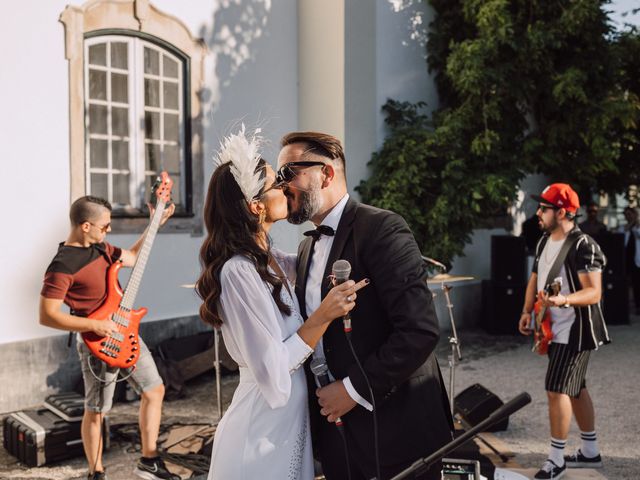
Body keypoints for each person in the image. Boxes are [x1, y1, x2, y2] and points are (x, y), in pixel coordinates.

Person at [277, 131, 453, 480]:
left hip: (397, 426)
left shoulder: (382, 228)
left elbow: (419, 330)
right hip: (338, 437)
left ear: (325, 173)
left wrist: (352, 389)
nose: (282, 185)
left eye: (289, 173)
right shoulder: (304, 249)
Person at [196, 127, 368, 480]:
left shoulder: (272, 260)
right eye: (278, 184)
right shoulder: (238, 273)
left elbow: (321, 259)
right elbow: (273, 371)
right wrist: (323, 317)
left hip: (288, 429)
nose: (287, 187)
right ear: (255, 206)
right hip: (259, 434)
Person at [39, 196, 178, 480]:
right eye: (105, 226)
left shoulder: (101, 248)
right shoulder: (62, 265)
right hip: (97, 343)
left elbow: (134, 258)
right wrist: (95, 325)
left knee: (155, 390)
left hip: (126, 332)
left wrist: (154, 225)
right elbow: (47, 315)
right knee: (97, 410)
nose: (109, 230)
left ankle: (149, 460)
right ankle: (97, 472)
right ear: (85, 225)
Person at [518, 183, 611, 479]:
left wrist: (565, 300)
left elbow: (594, 293)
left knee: (556, 388)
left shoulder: (584, 245)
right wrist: (526, 310)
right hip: (551, 327)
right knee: (576, 388)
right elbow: (535, 277)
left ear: (561, 212)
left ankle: (556, 460)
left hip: (576, 331)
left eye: (543, 208)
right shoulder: (544, 241)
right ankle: (590, 452)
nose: (538, 213)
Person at [618, 206, 640, 315]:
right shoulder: (623, 228)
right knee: (630, 283)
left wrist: (636, 223)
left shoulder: (638, 227)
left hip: (638, 259)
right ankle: (631, 305)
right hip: (627, 259)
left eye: (630, 214)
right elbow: (622, 239)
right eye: (626, 214)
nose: (628, 216)